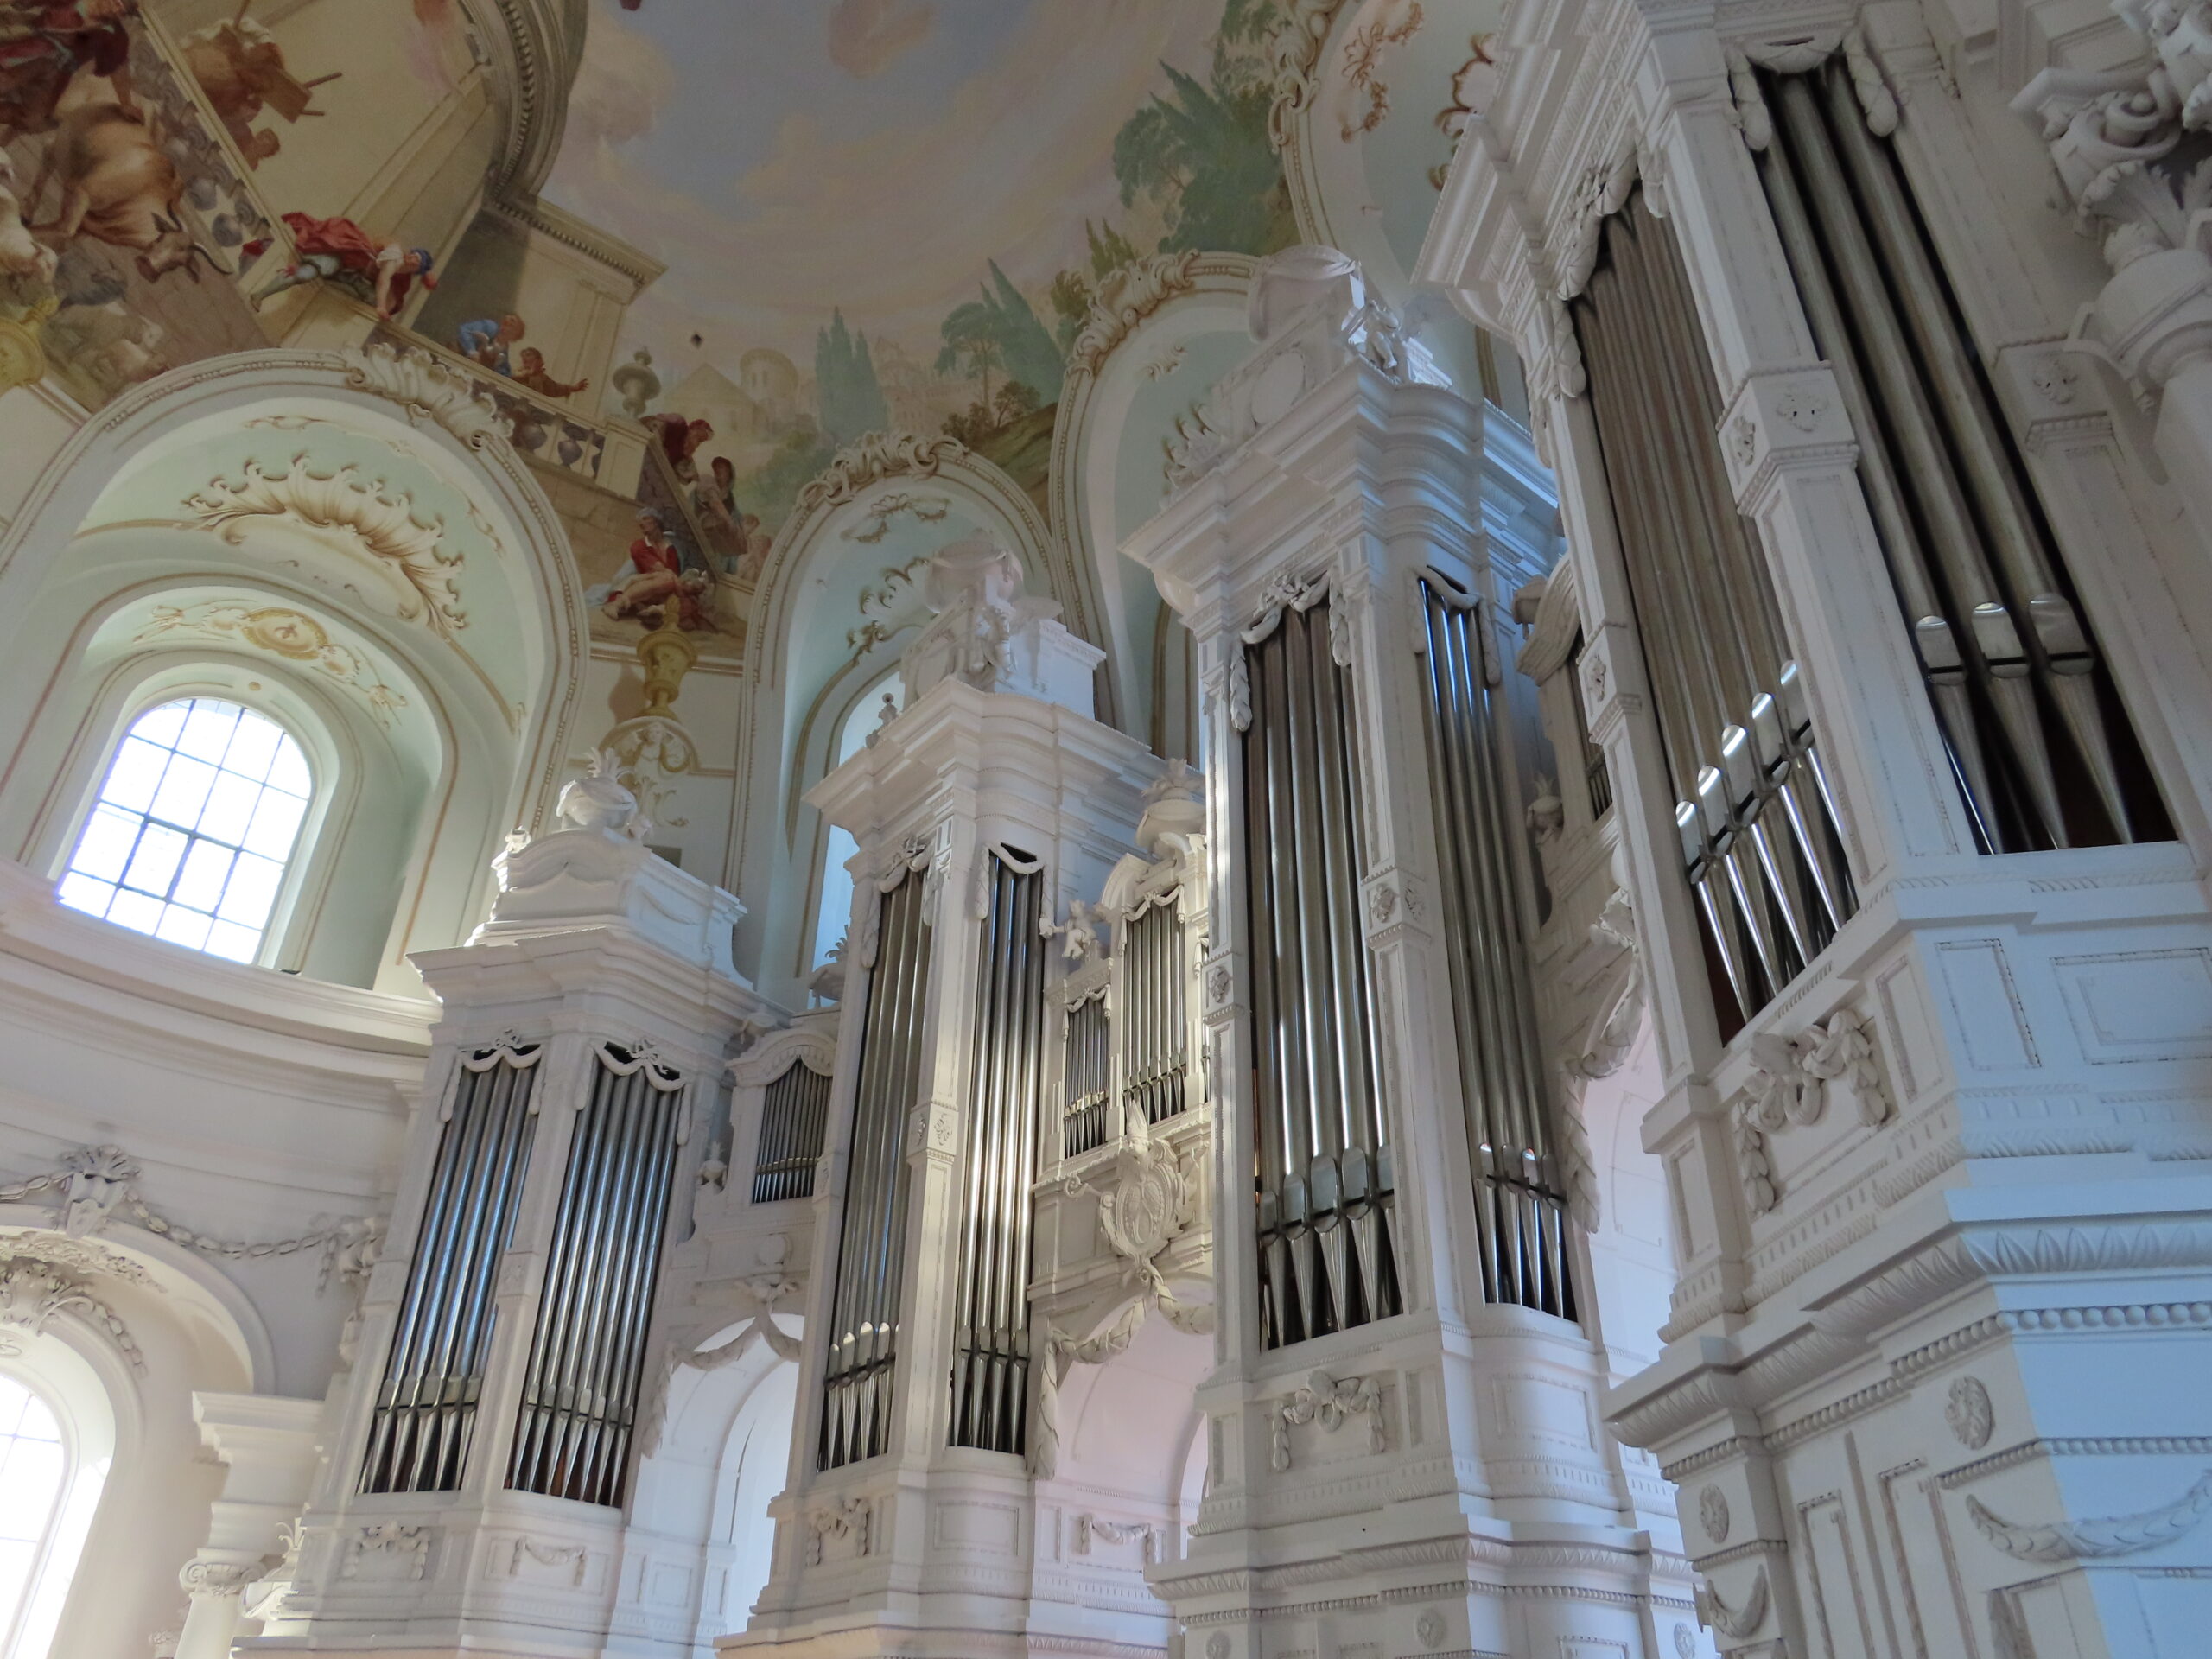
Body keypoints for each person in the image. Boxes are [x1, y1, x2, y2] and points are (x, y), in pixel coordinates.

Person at [0, 0, 138, 143]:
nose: (116, 10)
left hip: (57, 73)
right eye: (116, 3)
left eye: (122, 12)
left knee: (30, 118)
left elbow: (119, 66)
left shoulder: (115, 36)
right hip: (29, 50)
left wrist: (126, 104)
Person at [251, 213, 435, 318]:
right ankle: (260, 295)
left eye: (416, 261)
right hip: (344, 258)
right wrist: (381, 306)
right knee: (304, 274)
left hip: (352, 274)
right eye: (413, 255)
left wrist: (381, 305)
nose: (412, 258)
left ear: (416, 270)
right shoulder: (394, 254)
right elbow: (383, 280)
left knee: (369, 297)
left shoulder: (403, 275)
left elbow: (392, 293)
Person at [594, 509, 710, 631]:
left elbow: (689, 568)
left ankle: (657, 612)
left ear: (656, 521)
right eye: (640, 521)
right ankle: (617, 604)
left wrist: (689, 583)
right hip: (649, 588)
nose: (641, 523)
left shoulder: (675, 545)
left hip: (673, 589)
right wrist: (680, 590)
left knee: (691, 601)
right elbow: (663, 572)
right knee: (666, 579)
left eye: (645, 518)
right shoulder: (639, 546)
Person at [511, 346, 588, 400]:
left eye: (528, 355)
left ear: (538, 360)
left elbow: (556, 389)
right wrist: (530, 372)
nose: (524, 358)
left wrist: (574, 388)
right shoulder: (518, 371)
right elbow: (511, 377)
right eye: (523, 356)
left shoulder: (542, 378)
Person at [455, 313, 523, 373]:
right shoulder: (489, 326)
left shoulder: (503, 351)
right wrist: (472, 351)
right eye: (505, 323)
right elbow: (465, 331)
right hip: (460, 358)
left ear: (514, 338)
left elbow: (504, 370)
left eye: (511, 326)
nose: (505, 329)